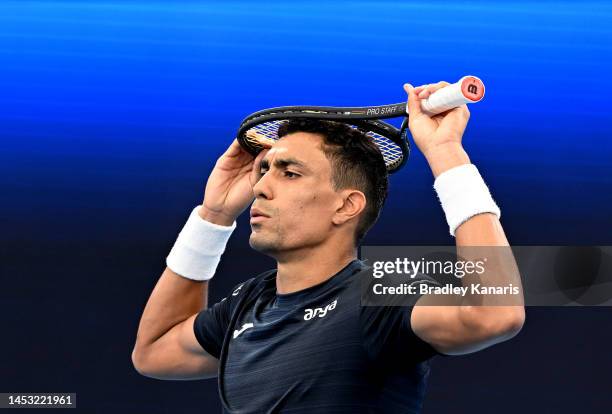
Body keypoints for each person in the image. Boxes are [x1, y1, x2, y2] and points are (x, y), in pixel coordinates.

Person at [132, 82, 525, 413]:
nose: (259, 187)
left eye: (289, 172)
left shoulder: (382, 289)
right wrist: (214, 216)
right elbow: (153, 352)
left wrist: (446, 154)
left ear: (346, 205)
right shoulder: (249, 301)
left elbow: (495, 313)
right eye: (265, 170)